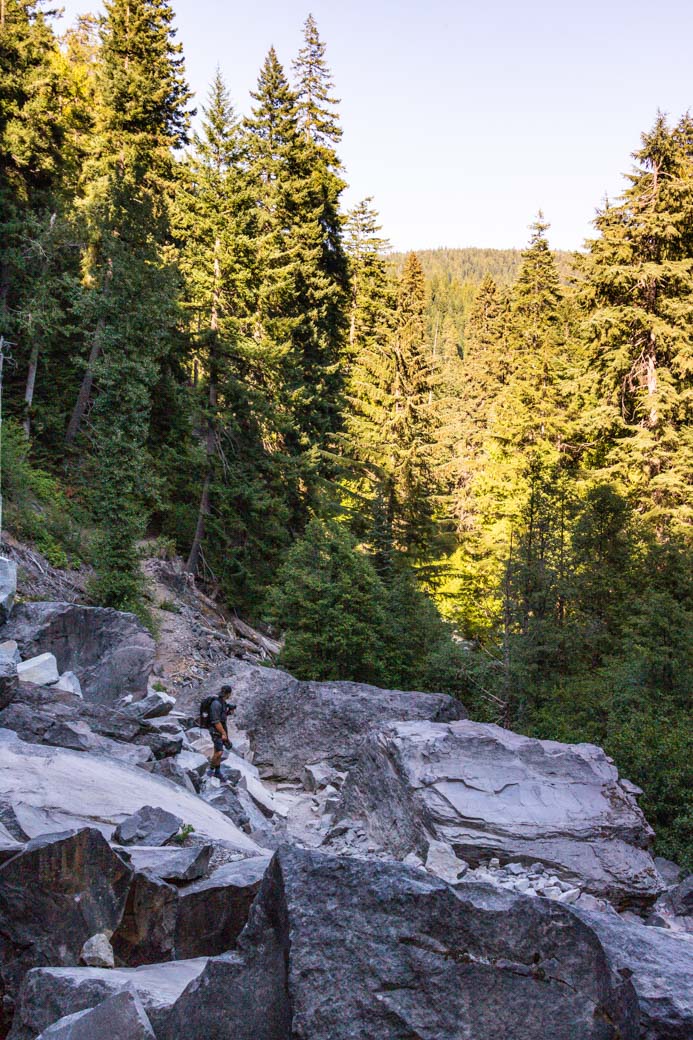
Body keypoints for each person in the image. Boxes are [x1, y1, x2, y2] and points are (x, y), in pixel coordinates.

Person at [207, 685, 234, 780]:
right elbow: (216, 721)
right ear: (228, 694)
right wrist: (223, 733)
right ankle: (210, 771)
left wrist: (228, 713)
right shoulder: (216, 704)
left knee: (218, 750)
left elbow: (221, 716)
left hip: (220, 728)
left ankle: (217, 772)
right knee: (219, 752)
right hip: (216, 730)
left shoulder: (222, 702)